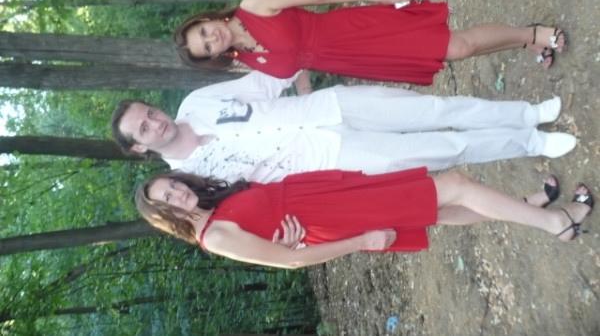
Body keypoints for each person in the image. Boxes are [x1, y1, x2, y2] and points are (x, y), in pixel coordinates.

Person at [110, 71, 576, 184]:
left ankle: (527, 114)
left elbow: (263, 82)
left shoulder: (195, 103)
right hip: (330, 159)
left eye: (148, 112)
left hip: (330, 106)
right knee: (443, 151)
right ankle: (532, 142)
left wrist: (300, 76)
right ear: (139, 150)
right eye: (143, 130)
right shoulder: (187, 182)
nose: (155, 121)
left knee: (434, 110)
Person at [135, 168, 594, 268]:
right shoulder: (214, 236)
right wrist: (362, 241)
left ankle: (527, 205)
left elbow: (276, 236)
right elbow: (290, 260)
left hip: (333, 198)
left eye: (171, 186)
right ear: (166, 218)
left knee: (440, 211)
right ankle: (557, 223)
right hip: (343, 217)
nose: (177, 194)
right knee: (452, 185)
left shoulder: (215, 206)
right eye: (167, 201)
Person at [172, 0, 567, 91]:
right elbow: (294, 62)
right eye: (206, 47)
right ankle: (524, 40)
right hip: (353, 61)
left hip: (355, 30)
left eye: (204, 31)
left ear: (206, 19)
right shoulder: (245, 60)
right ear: (212, 57)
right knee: (449, 54)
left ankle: (533, 31)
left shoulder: (254, 4)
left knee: (458, 46)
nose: (212, 38)